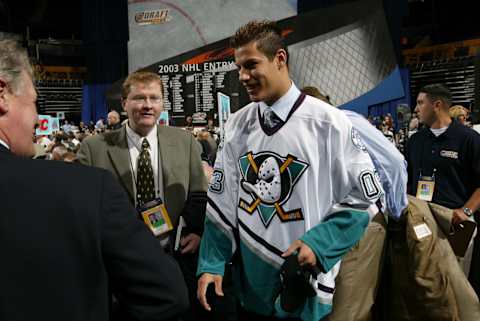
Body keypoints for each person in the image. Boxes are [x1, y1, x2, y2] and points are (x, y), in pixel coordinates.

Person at [196, 20, 382, 321]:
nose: (243, 76)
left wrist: (319, 243)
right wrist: (212, 263)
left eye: (251, 65)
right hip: (250, 288)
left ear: (280, 59)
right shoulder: (236, 125)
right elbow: (222, 201)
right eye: (239, 67)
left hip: (303, 285)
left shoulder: (329, 123)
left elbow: (367, 198)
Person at [0, 39, 188, 321]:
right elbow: (167, 297)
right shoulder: (85, 182)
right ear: (2, 94)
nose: (38, 118)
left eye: (154, 98)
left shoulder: (184, 143)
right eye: (34, 102)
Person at [77, 70, 208, 321]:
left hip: (173, 256)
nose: (147, 105)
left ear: (162, 103)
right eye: (139, 98)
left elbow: (198, 191)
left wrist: (196, 230)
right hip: (119, 265)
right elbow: (85, 208)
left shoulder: (185, 142)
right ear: (124, 103)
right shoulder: (94, 149)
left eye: (154, 98)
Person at [301, 85, 408, 321]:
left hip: (361, 222)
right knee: (332, 308)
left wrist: (397, 214)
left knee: (348, 311)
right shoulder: (310, 131)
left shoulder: (344, 120)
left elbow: (394, 163)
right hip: (330, 228)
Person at [407, 83, 480, 295]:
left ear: (437, 105)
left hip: (456, 222)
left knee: (457, 288)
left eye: (421, 103)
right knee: (426, 285)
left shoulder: (469, 139)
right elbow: (409, 179)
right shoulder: (416, 141)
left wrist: (466, 211)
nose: (417, 108)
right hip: (423, 221)